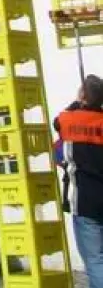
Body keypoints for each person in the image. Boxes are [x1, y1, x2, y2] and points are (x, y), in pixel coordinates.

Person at [54, 75, 103, 287]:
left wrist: (77, 104)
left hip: (83, 202)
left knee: (95, 261)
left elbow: (58, 122)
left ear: (82, 95)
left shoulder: (68, 119)